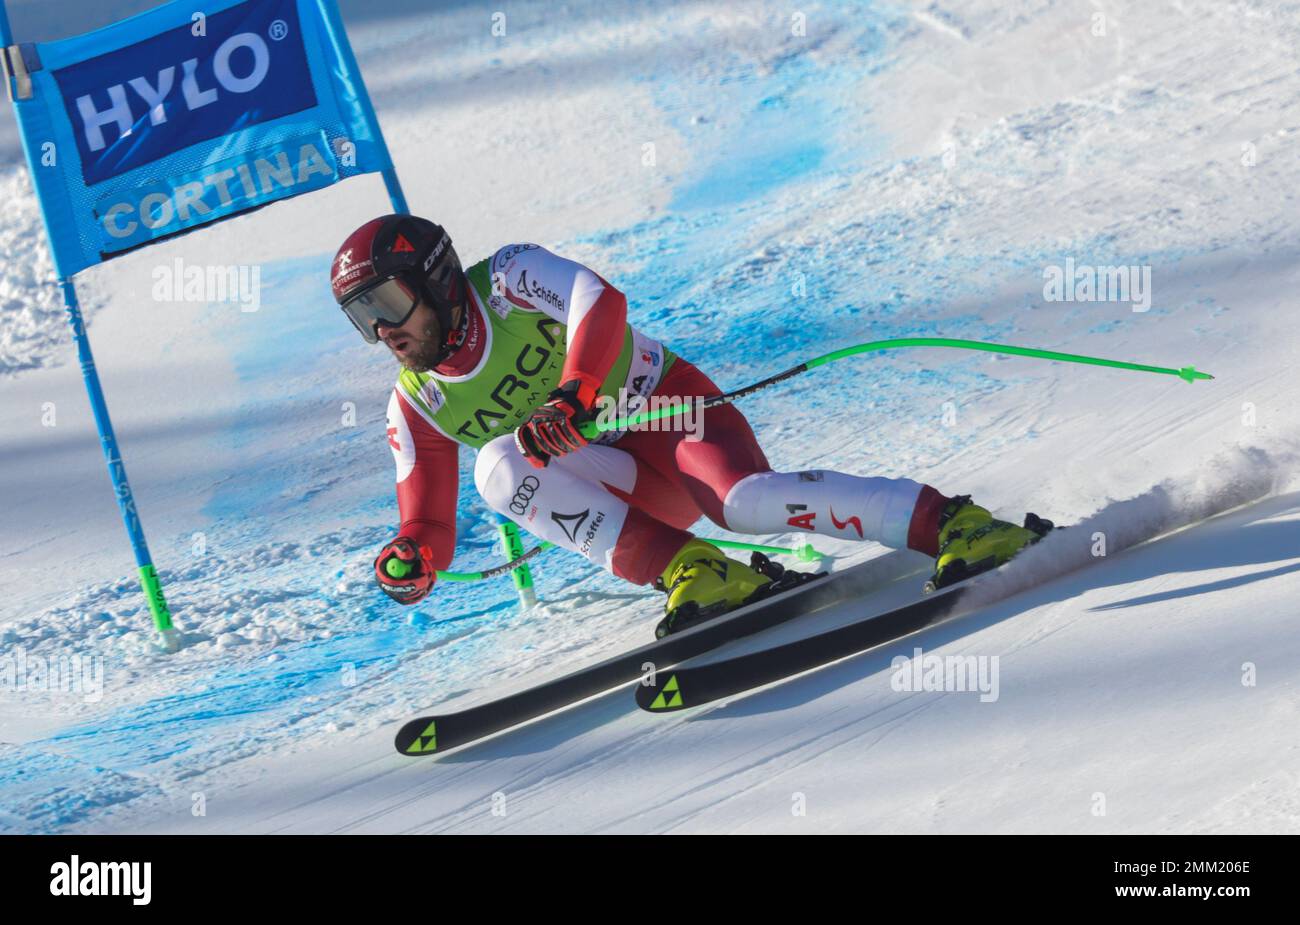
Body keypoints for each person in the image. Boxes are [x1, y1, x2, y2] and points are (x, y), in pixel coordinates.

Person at [331, 214, 1048, 636]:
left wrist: (576, 393)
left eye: (387, 303)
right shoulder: (416, 402)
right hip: (624, 486)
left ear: (435, 280)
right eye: (364, 318)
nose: (383, 331)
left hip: (667, 412)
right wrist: (413, 556)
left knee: (745, 502)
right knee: (497, 465)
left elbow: (597, 300)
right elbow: (429, 522)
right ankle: (696, 571)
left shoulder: (508, 279)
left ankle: (955, 524)